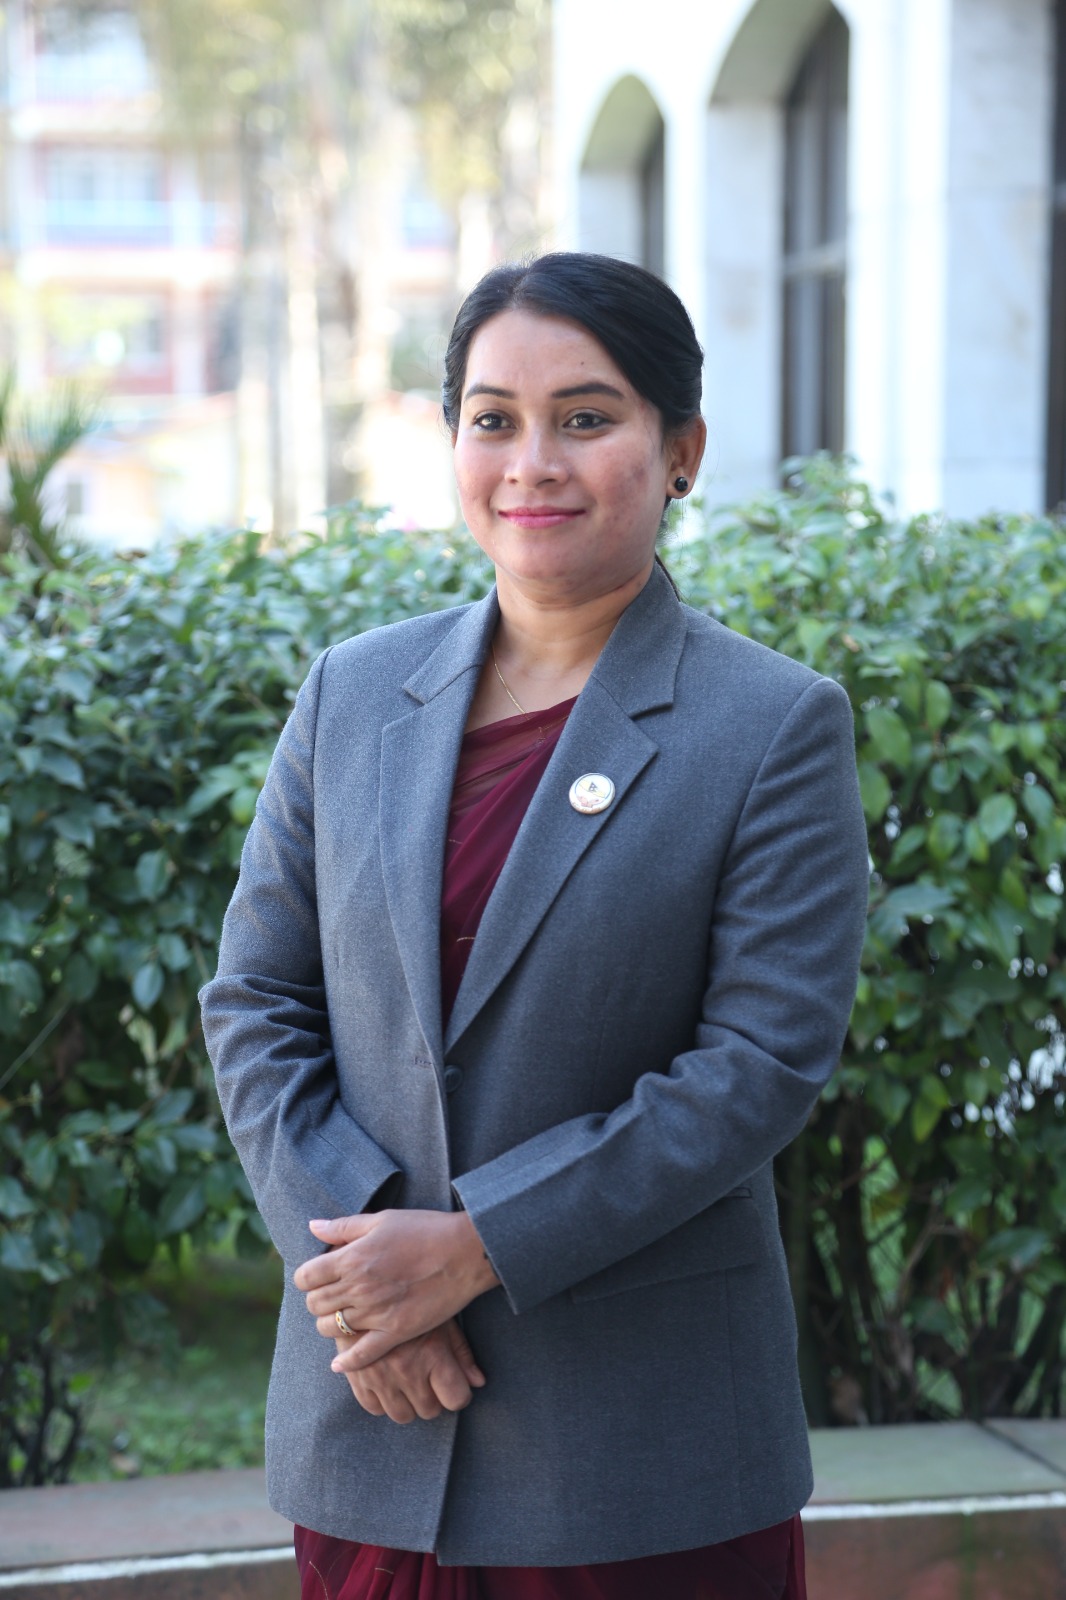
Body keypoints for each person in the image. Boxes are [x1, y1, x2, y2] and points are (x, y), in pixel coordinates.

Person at [199, 252, 869, 1600]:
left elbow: (756, 1067)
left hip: (636, 1452)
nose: (532, 463)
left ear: (680, 452)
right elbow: (255, 1001)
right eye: (492, 418)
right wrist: (370, 1275)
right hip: (376, 1409)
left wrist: (472, 1250)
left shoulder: (771, 725)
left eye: (586, 417)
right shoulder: (353, 693)